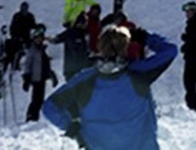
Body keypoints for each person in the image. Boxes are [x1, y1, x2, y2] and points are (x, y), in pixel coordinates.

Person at [44, 24, 177, 147]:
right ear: (126, 47)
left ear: (100, 46)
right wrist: (144, 37)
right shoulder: (139, 73)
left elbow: (50, 106)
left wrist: (71, 127)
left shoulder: (84, 81)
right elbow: (170, 51)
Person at [22, 25, 58, 121]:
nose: (39, 40)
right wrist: (26, 78)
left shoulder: (42, 50)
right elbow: (28, 64)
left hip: (42, 77)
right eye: (37, 38)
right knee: (36, 99)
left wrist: (51, 75)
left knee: (40, 99)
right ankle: (31, 116)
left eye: (40, 38)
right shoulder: (32, 50)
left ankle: (34, 117)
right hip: (36, 77)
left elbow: (46, 65)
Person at [51, 13, 90, 83]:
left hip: (82, 68)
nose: (86, 25)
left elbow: (86, 50)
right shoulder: (70, 32)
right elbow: (56, 39)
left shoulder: (85, 35)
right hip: (71, 69)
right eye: (84, 23)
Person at [5, 1, 36, 70]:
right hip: (17, 37)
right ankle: (15, 64)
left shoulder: (30, 16)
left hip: (27, 37)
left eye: (26, 8)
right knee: (16, 49)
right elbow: (12, 27)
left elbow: (33, 26)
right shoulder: (17, 16)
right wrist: (15, 36)